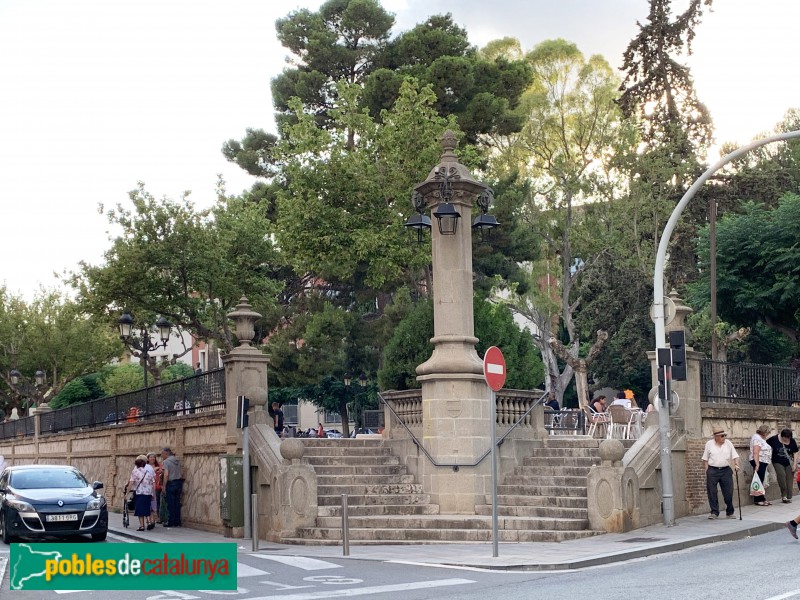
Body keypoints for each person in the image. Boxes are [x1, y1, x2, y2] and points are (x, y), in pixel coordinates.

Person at [702, 428, 740, 519]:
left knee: (728, 492)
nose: (724, 437)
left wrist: (736, 465)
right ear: (716, 437)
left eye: (725, 435)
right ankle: (714, 512)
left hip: (725, 470)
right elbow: (705, 459)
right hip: (713, 470)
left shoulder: (728, 443)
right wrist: (707, 470)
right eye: (722, 436)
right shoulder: (709, 444)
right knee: (712, 492)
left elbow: (735, 456)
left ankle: (730, 512)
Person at [767, 428, 798, 503]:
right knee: (781, 476)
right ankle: (784, 495)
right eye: (786, 438)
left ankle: (789, 497)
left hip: (789, 462)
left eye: (789, 438)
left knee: (789, 479)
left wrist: (794, 464)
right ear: (782, 436)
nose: (787, 440)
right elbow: (765, 444)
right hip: (777, 462)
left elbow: (795, 453)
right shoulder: (774, 439)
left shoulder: (792, 441)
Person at [127, 454, 155, 532]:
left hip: (139, 493)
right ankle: (149, 522)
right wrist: (153, 493)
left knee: (139, 510)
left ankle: (142, 526)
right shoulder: (149, 471)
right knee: (147, 508)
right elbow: (153, 482)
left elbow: (131, 482)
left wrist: (127, 492)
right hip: (148, 493)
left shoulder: (135, 471)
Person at [750, 424, 773, 506]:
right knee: (759, 480)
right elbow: (756, 452)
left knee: (762, 480)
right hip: (759, 461)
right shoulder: (757, 438)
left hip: (762, 461)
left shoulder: (760, 438)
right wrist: (757, 464)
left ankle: (762, 498)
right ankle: (758, 499)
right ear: (764, 432)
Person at [161, 447, 183, 528]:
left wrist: (164, 486)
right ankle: (177, 521)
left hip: (171, 483)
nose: (161, 456)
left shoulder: (166, 462)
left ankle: (171, 522)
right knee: (177, 503)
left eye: (162, 454)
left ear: (166, 453)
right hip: (179, 483)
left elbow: (166, 474)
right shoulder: (177, 461)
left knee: (170, 504)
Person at [147, 452, 164, 526]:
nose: (152, 458)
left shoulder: (159, 465)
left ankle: (160, 517)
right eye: (151, 457)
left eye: (153, 457)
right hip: (150, 487)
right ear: (148, 458)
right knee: (153, 503)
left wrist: (161, 471)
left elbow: (163, 472)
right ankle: (154, 518)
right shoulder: (146, 466)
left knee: (159, 502)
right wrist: (154, 470)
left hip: (159, 485)